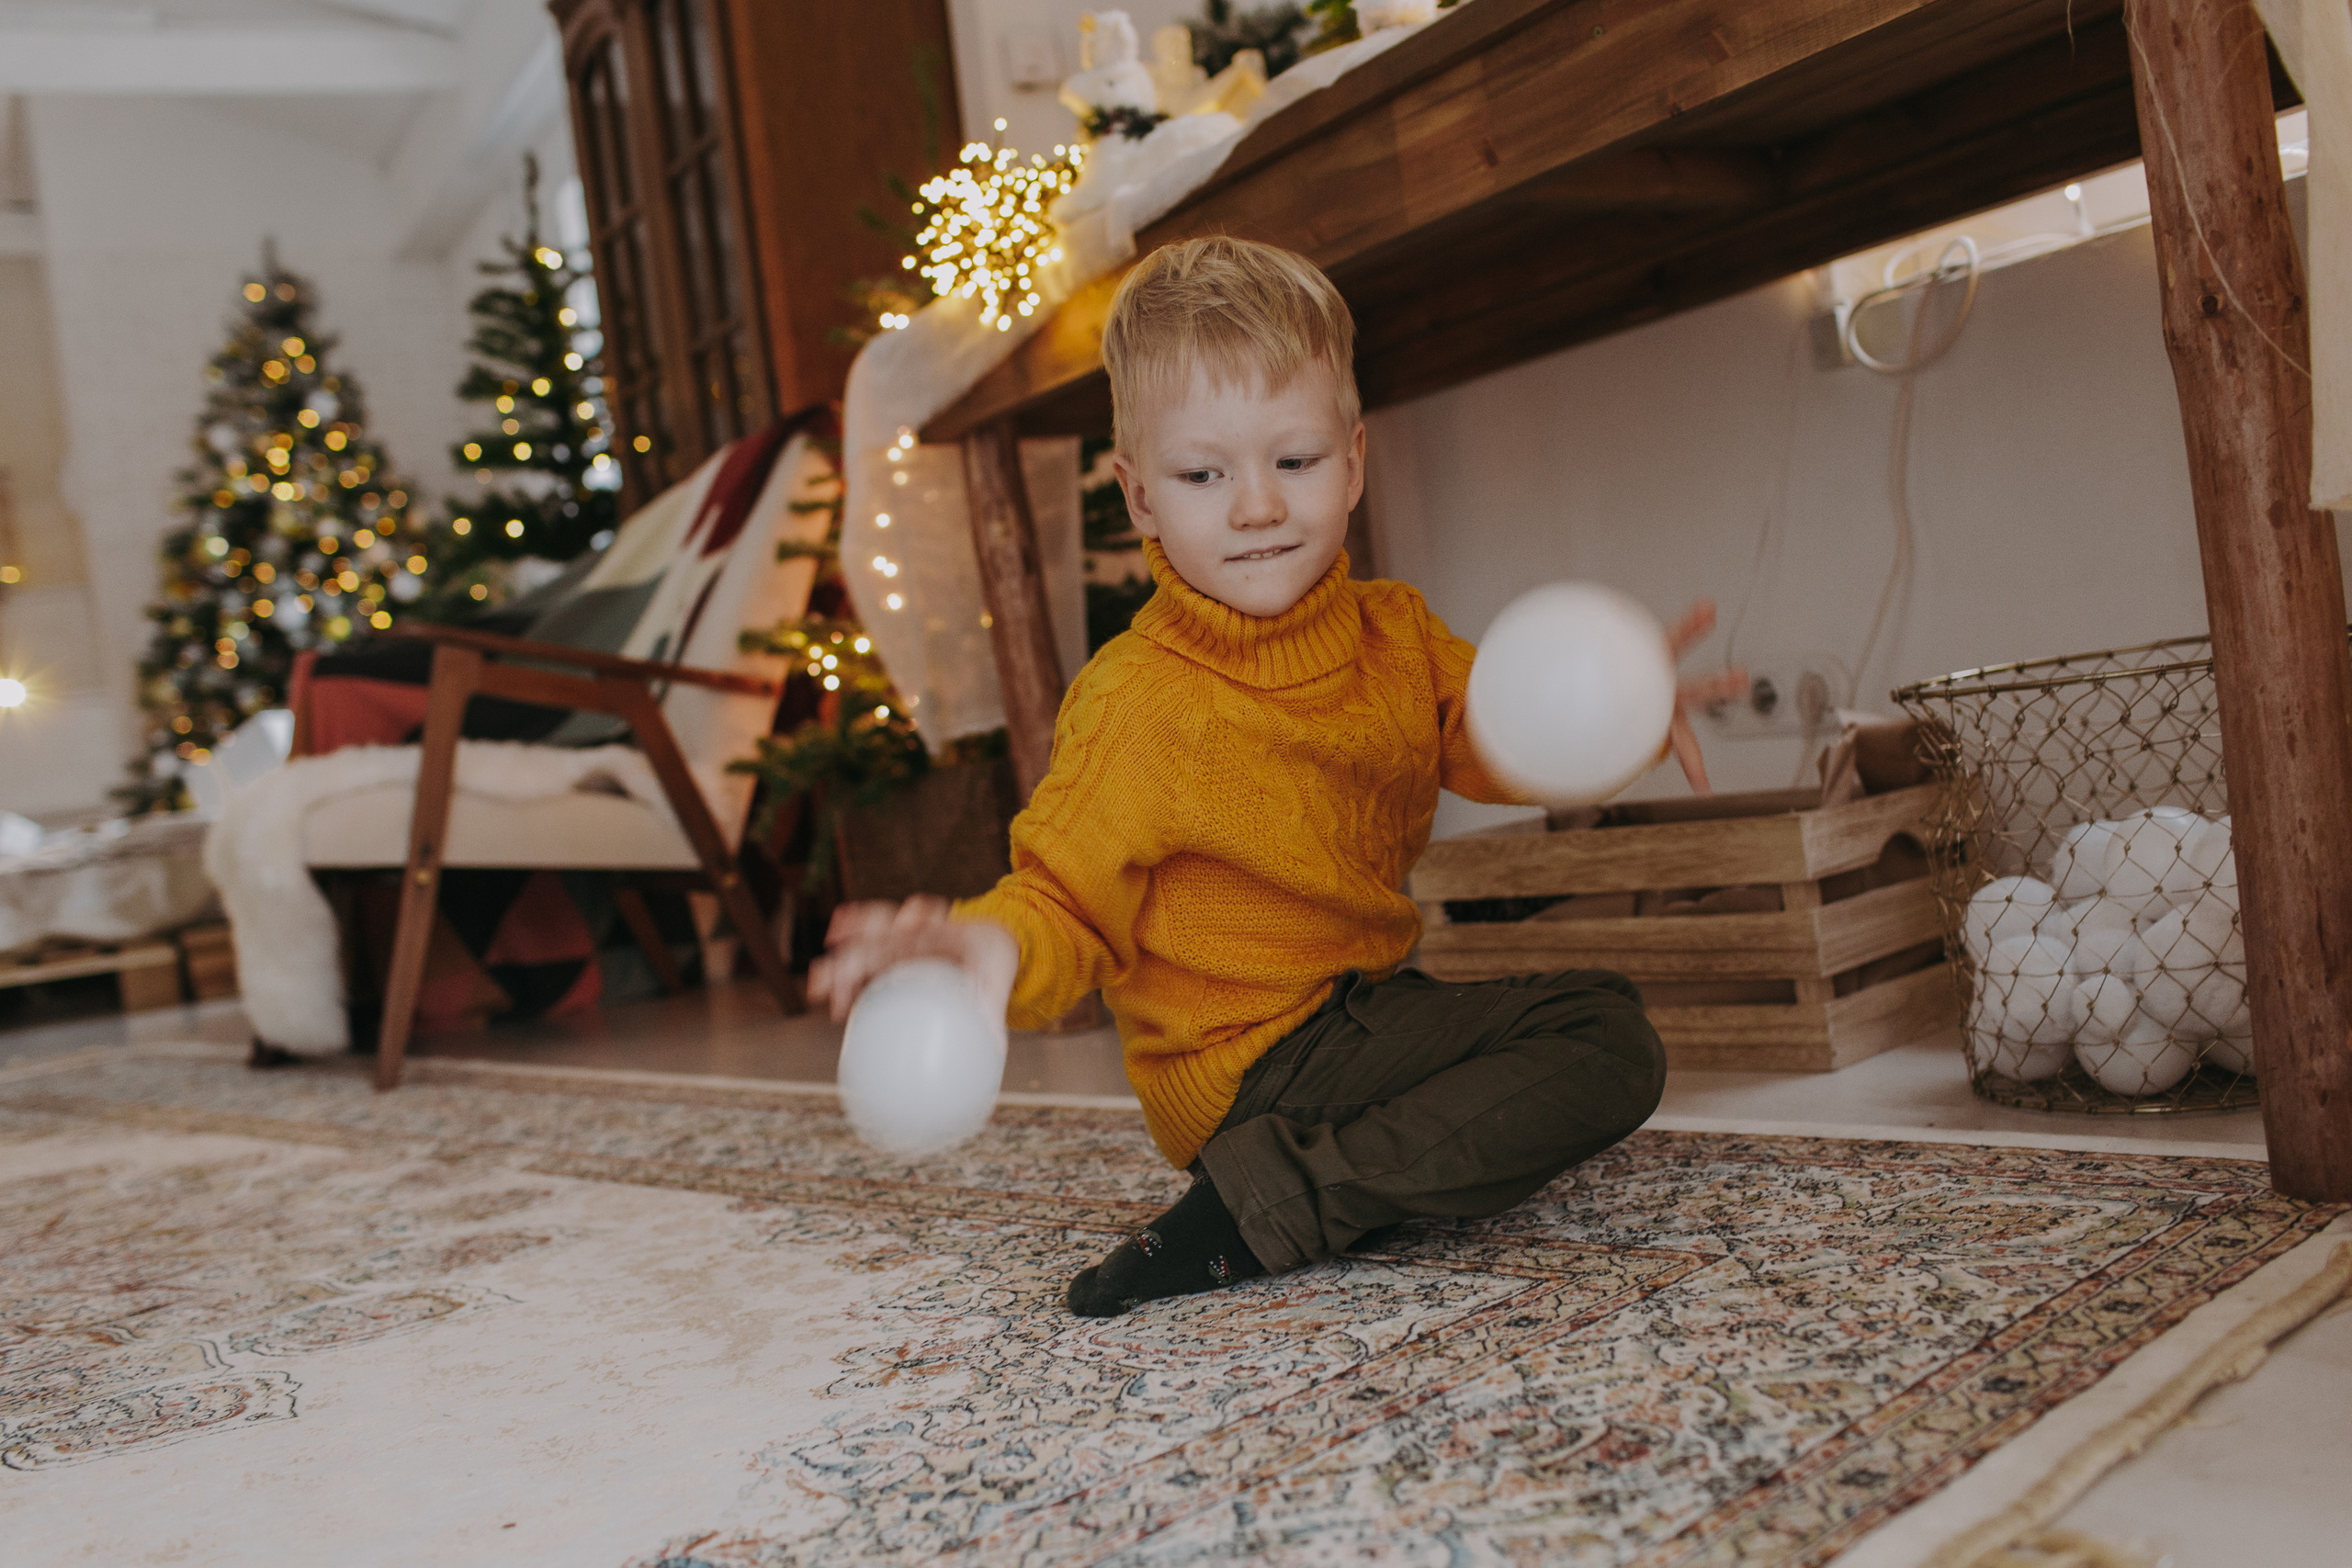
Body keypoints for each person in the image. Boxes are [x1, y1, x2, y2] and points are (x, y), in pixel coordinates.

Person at [813, 236, 1742, 1317]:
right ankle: (1265, 1202)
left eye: (1292, 463)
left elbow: (1500, 737)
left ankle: (1300, 1179)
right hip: (1240, 1069)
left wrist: (1619, 711)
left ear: (1352, 462)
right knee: (1604, 1046)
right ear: (1141, 497)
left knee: (1605, 1024)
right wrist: (984, 949)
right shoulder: (1139, 700)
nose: (1256, 507)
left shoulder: (1393, 633)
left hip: (1362, 1011)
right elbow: (1064, 899)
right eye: (1204, 476)